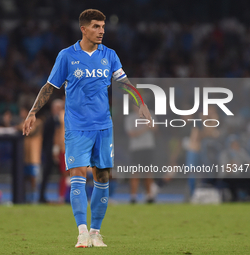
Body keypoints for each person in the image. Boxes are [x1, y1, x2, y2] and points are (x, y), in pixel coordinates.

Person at [23, 9, 152, 248]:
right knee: (78, 175)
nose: (101, 31)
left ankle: (95, 232)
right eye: (96, 26)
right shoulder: (67, 56)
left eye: (103, 26)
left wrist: (141, 104)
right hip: (77, 127)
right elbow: (50, 87)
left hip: (103, 126)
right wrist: (33, 112)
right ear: (83, 29)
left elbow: (124, 83)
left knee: (103, 177)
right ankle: (82, 231)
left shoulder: (110, 55)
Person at [125, 104, 158, 203]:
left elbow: (155, 128)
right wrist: (145, 128)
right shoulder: (130, 118)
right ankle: (133, 196)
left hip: (148, 147)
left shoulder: (150, 114)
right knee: (135, 172)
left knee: (148, 172)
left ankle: (149, 195)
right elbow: (132, 134)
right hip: (136, 149)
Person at [38, 99, 63, 203]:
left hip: (61, 150)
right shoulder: (49, 120)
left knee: (65, 174)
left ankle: (63, 196)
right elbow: (46, 137)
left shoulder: (62, 119)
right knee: (46, 174)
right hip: (49, 152)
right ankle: (41, 196)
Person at [19, 107, 43, 203]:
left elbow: (31, 131)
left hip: (34, 157)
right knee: (25, 178)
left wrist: (18, 126)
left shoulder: (38, 122)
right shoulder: (22, 123)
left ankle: (34, 198)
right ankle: (26, 198)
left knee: (33, 179)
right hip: (25, 157)